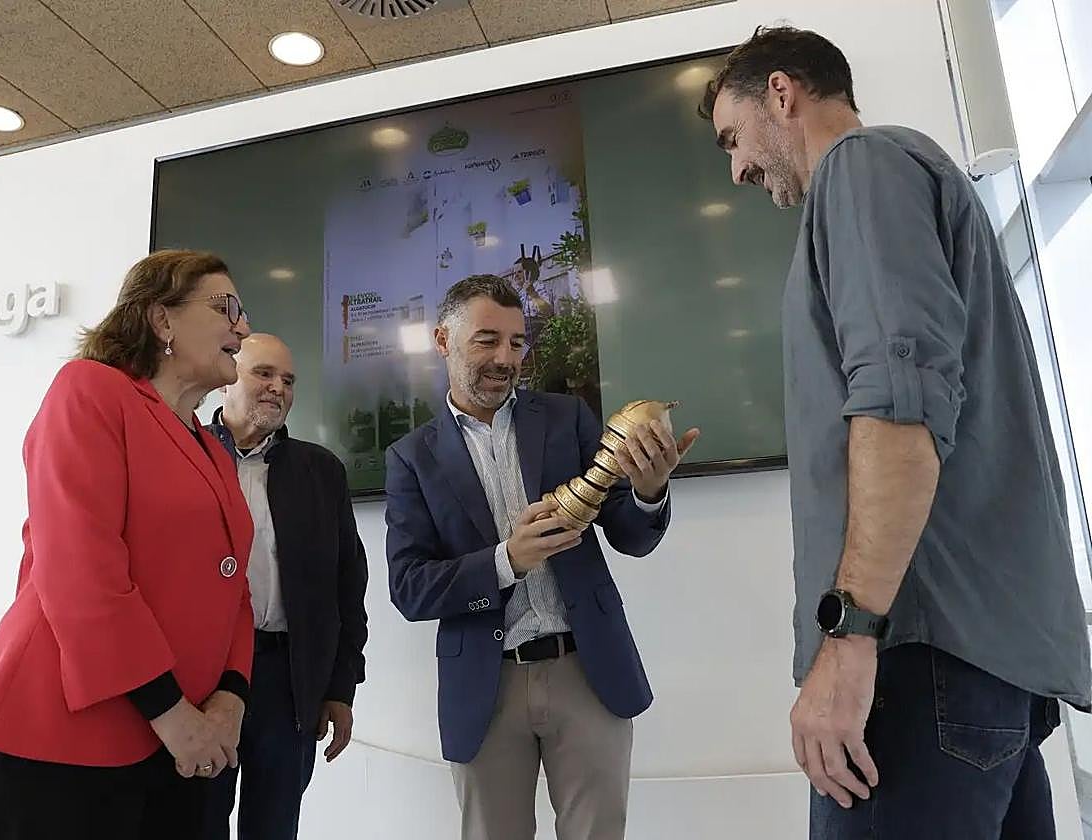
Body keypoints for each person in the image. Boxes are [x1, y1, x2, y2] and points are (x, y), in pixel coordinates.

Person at [701, 26, 1091, 839]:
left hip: (916, 661)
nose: (736, 170)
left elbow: (897, 408)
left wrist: (848, 638)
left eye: (733, 139)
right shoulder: (917, 182)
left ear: (782, 93)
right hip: (978, 668)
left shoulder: (862, 168)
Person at [384, 274, 698, 840]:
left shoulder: (566, 417)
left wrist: (649, 491)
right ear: (443, 340)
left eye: (516, 342)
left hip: (588, 670)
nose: (506, 358)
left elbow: (629, 533)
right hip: (485, 686)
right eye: (487, 340)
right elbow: (410, 588)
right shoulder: (411, 458)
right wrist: (506, 560)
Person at [0, 250, 257, 839]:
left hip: (185, 750)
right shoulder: (90, 390)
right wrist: (172, 714)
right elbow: (80, 571)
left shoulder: (211, 447)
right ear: (162, 318)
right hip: (70, 743)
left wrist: (231, 696)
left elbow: (233, 590)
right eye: (226, 307)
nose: (243, 327)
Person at [203, 333, 369, 839]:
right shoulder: (186, 455)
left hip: (288, 680)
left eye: (289, 380)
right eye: (264, 374)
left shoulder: (321, 471)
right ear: (227, 378)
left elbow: (347, 587)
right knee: (196, 821)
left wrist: (341, 687)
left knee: (275, 827)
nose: (279, 388)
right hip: (203, 679)